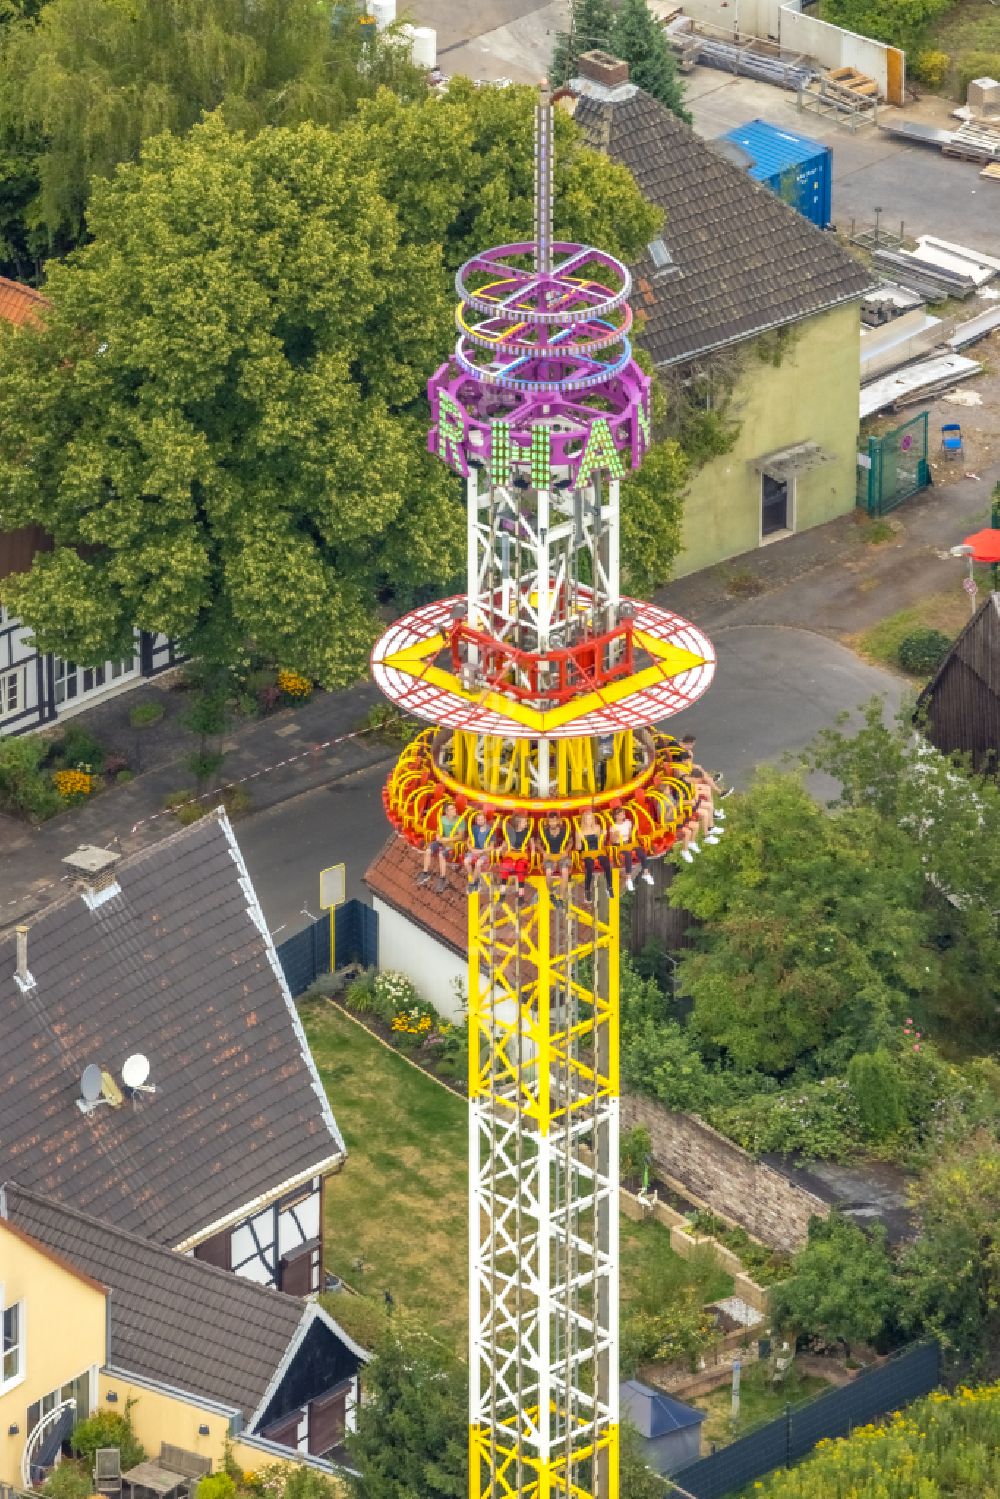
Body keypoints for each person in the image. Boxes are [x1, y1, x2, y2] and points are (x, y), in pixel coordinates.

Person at [416, 799, 464, 893]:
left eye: (454, 808)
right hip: (442, 841)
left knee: (441, 854)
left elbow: (460, 836)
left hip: (453, 844)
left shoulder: (460, 821)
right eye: (451, 809)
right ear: (447, 812)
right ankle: (425, 872)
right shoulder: (442, 819)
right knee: (429, 850)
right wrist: (438, 836)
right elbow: (439, 830)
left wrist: (447, 839)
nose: (454, 810)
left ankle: (443, 878)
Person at [609, 804, 654, 892]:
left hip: (628, 843)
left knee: (641, 852)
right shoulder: (613, 827)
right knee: (628, 855)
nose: (623, 815)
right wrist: (616, 835)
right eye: (621, 814)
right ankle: (628, 878)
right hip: (620, 845)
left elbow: (630, 836)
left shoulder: (628, 822)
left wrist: (634, 830)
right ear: (616, 816)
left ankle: (646, 872)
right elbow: (612, 840)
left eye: (623, 813)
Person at [577, 807, 614, 901]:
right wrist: (580, 840)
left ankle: (609, 887)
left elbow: (602, 842)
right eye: (587, 819)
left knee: (607, 864)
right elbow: (578, 848)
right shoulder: (579, 831)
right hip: (587, 852)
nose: (588, 821)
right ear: (584, 820)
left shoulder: (597, 827)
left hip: (597, 850)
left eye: (590, 819)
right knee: (589, 866)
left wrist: (604, 835)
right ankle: (587, 890)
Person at [538, 809, 573, 906]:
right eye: (551, 821)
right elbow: (538, 843)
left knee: (565, 871)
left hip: (561, 855)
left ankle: (561, 897)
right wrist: (543, 852)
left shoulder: (564, 831)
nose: (552, 823)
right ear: (548, 822)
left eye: (554, 821)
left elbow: (570, 841)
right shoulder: (544, 831)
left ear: (558, 821)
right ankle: (551, 893)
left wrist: (566, 851)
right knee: (548, 872)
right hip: (550, 855)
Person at [498, 811, 534, 902]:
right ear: (518, 823)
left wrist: (533, 852)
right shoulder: (511, 832)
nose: (526, 823)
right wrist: (501, 848)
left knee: (520, 867)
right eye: (524, 822)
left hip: (521, 854)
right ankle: (502, 893)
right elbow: (505, 842)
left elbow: (532, 843)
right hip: (511, 853)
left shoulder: (527, 832)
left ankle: (521, 894)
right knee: (506, 865)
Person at [463, 809, 495, 893]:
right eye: (478, 820)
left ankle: (472, 882)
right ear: (476, 821)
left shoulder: (490, 830)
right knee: (466, 861)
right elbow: (468, 841)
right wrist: (471, 849)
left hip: (484, 853)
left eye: (481, 819)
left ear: (485, 820)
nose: (480, 821)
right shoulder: (474, 829)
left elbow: (491, 847)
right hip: (474, 851)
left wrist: (480, 851)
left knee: (478, 863)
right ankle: (475, 880)